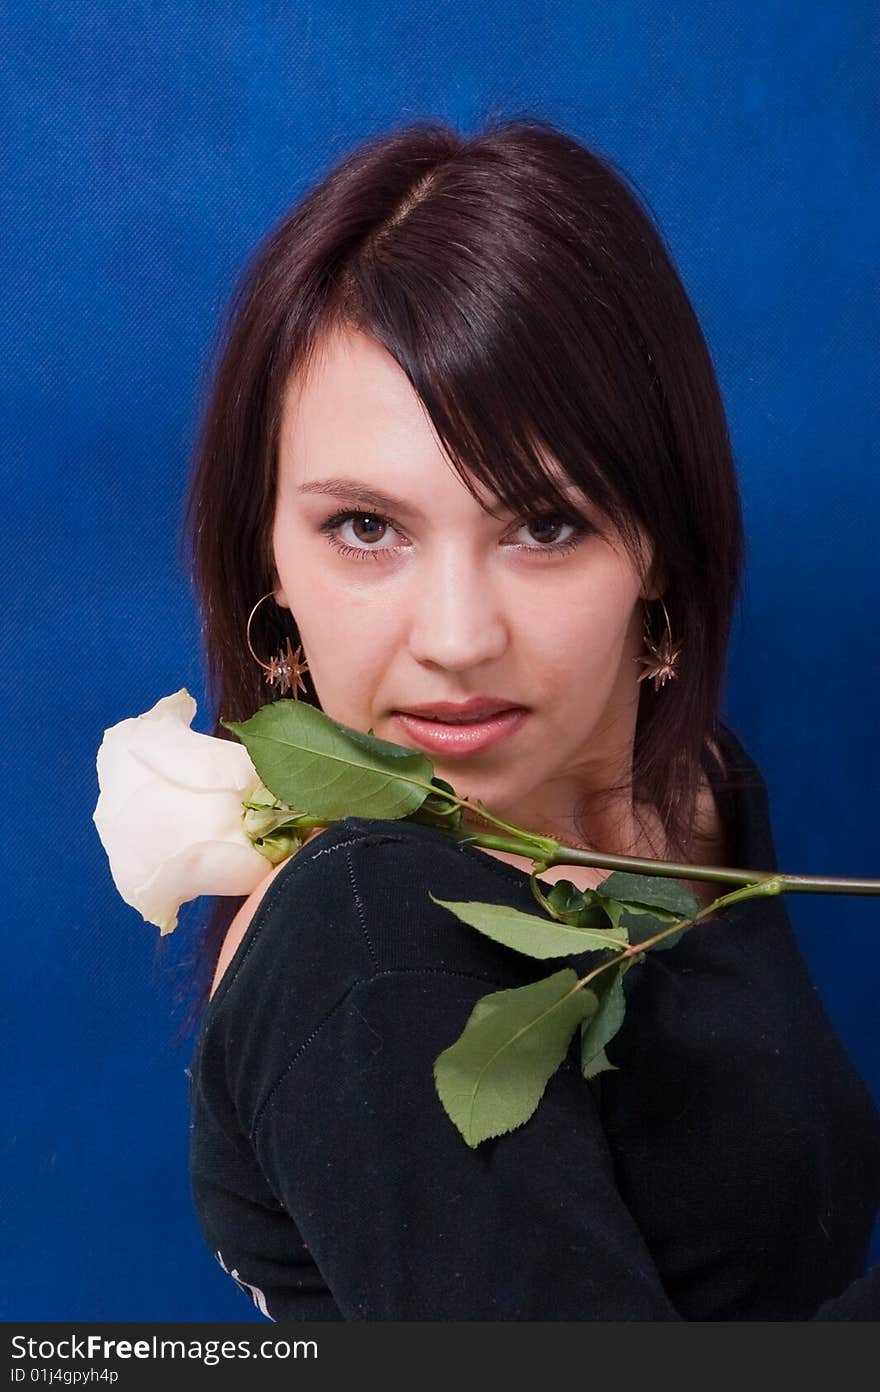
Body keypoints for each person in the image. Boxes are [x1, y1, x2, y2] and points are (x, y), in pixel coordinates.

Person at [180, 116, 880, 1320]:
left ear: (658, 542)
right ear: (269, 559)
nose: (457, 639)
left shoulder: (687, 791)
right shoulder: (364, 939)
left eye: (543, 526)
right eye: (365, 527)